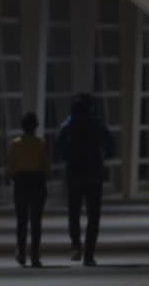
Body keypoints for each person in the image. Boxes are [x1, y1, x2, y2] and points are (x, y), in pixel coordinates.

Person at [55, 93, 115, 266]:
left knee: (73, 210)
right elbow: (110, 145)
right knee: (93, 215)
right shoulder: (96, 124)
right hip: (93, 172)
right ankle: (89, 254)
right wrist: (104, 156)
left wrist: (67, 156)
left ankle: (75, 244)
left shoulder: (69, 124)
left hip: (74, 172)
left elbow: (58, 145)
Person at [7, 111, 49, 267]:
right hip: (37, 182)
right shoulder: (41, 143)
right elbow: (45, 166)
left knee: (22, 220)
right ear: (36, 126)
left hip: (21, 182)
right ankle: (35, 255)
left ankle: (22, 252)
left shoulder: (15, 143)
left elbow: (11, 166)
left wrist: (15, 177)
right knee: (36, 221)